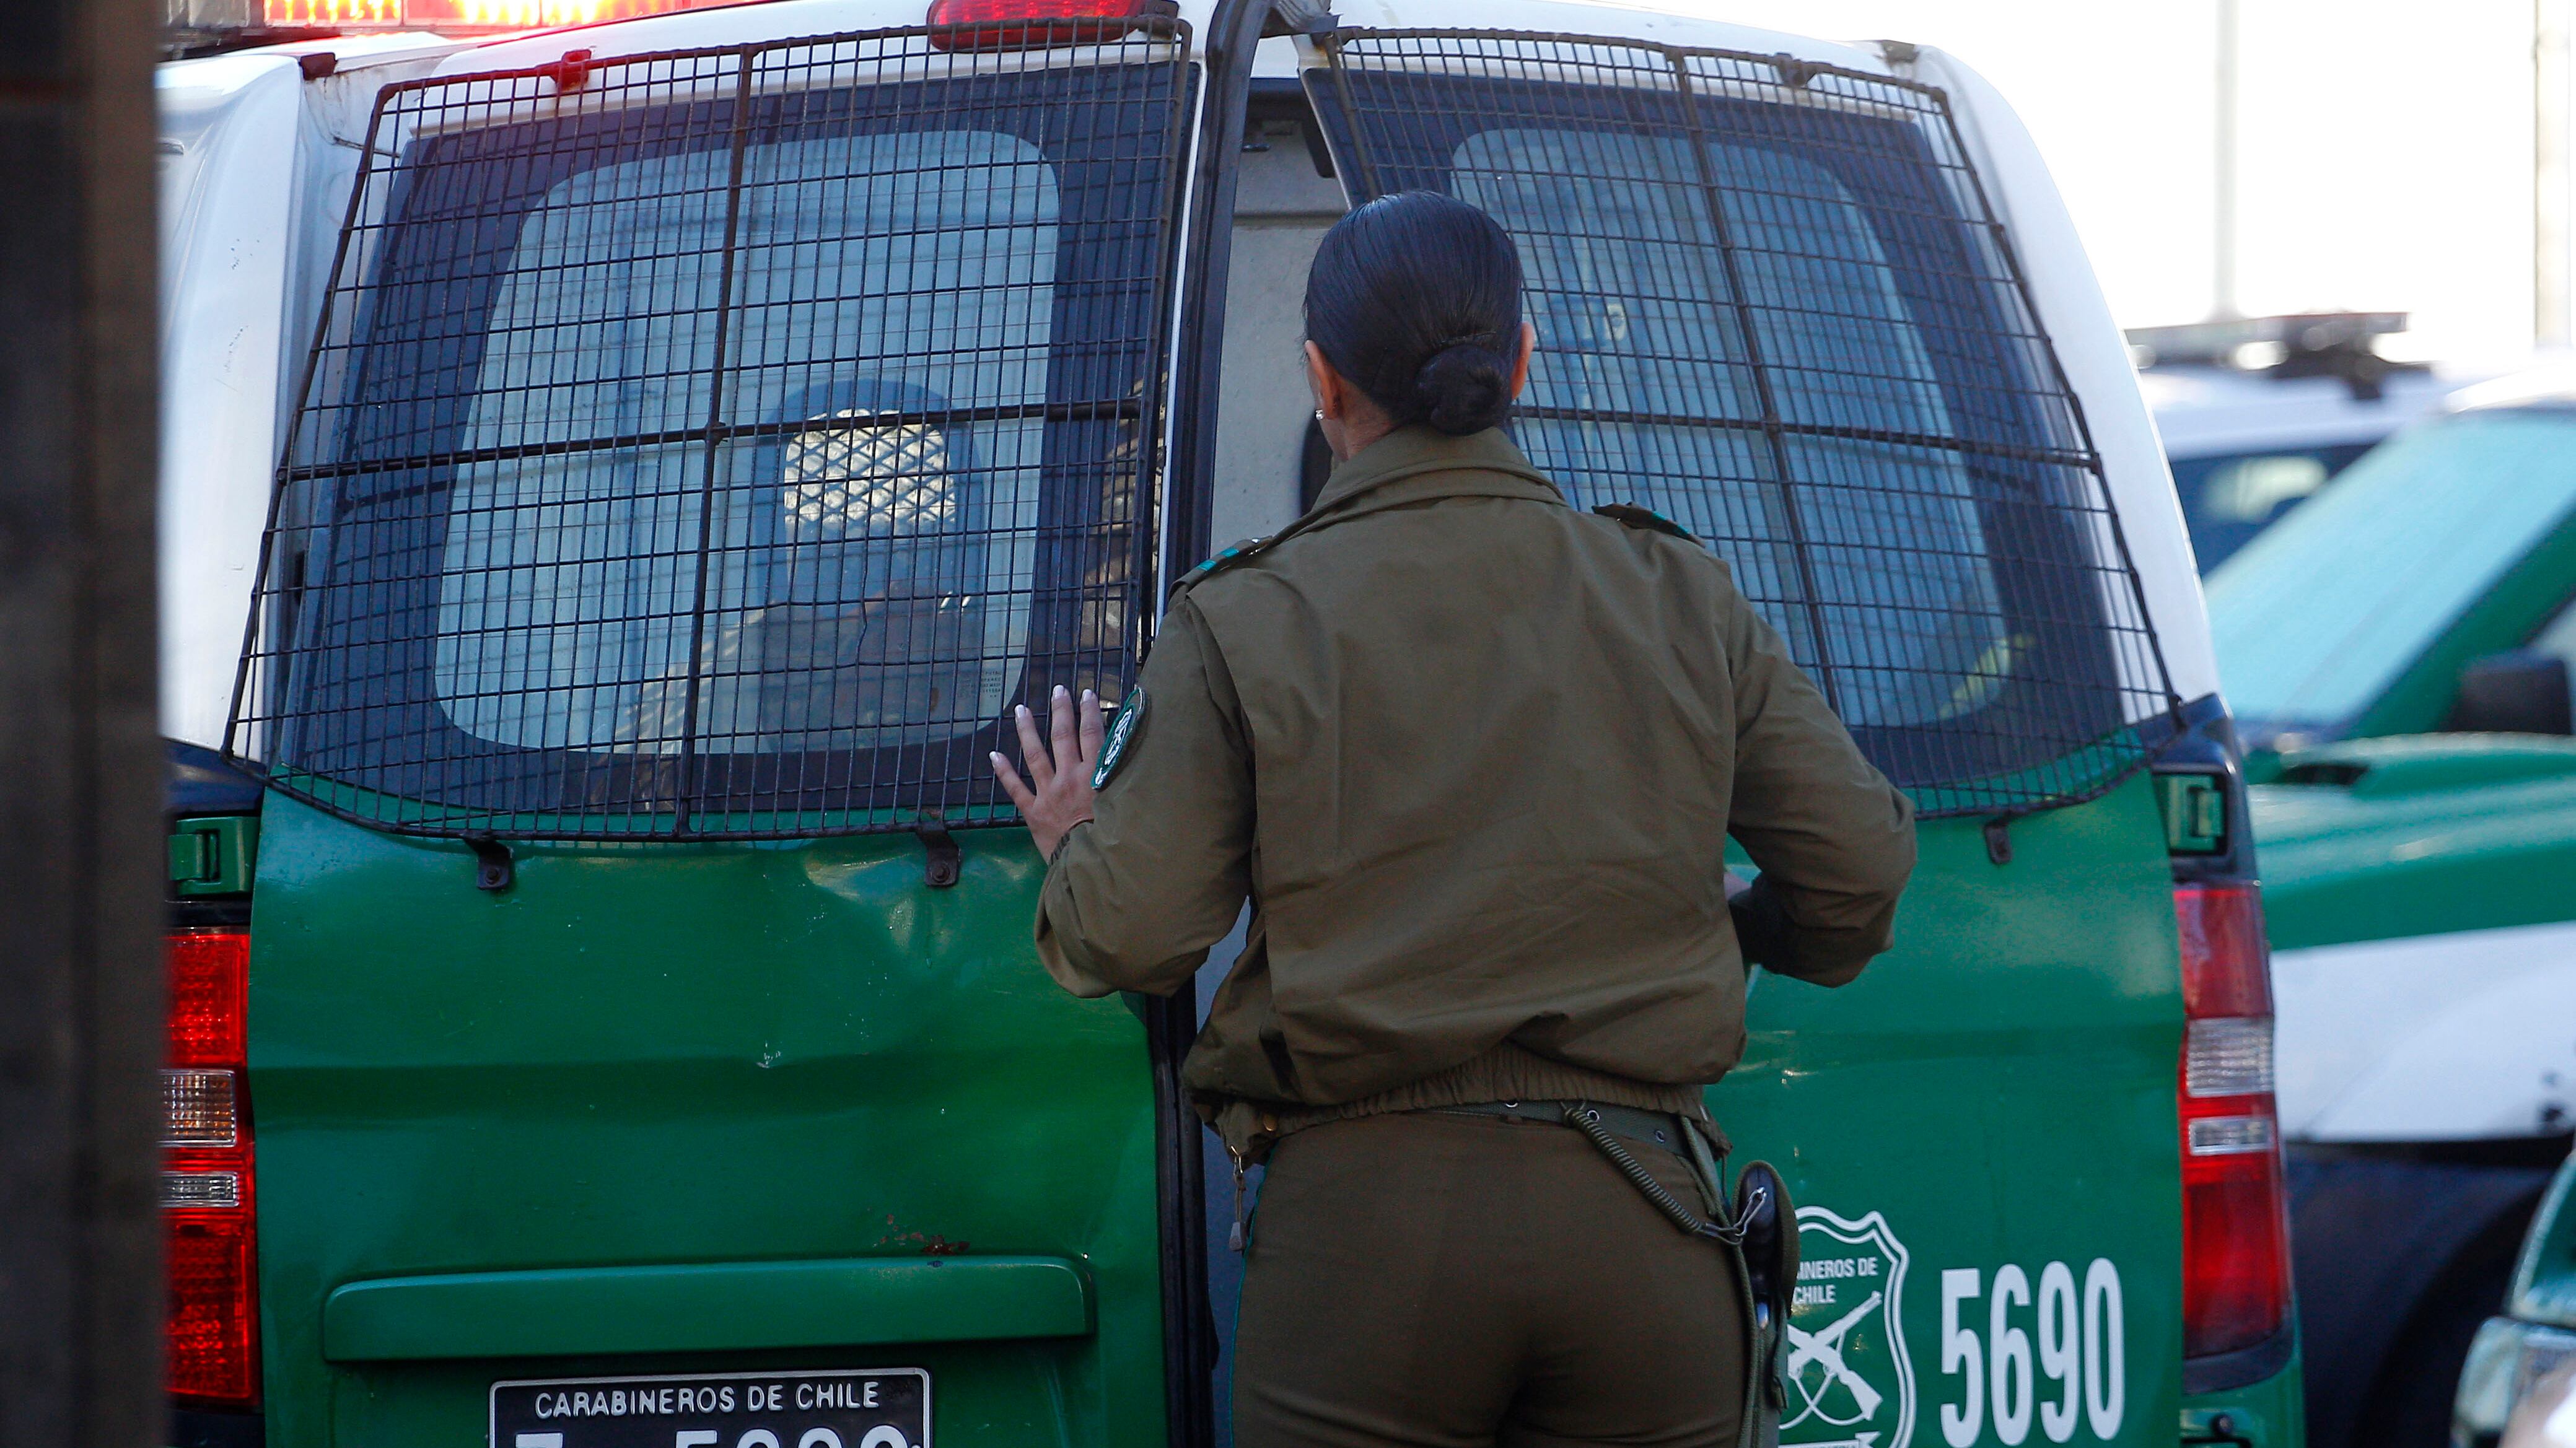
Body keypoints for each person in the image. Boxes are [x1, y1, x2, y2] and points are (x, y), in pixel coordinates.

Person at [989, 191, 1916, 1448]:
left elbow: (1134, 933)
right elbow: (1857, 870)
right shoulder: (1675, 591)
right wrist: (1728, 932)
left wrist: (1074, 843)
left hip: (1366, 1258)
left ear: (1322, 382)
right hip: (1645, 1226)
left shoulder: (1245, 618)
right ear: (1524, 361)